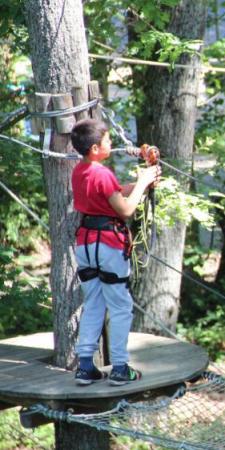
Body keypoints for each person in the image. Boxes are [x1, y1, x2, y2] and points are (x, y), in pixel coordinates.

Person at [70, 118, 160, 386]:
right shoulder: (102, 173)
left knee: (94, 301)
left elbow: (112, 197)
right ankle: (120, 367)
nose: (112, 143)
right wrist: (143, 182)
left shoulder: (80, 171)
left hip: (86, 243)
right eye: (108, 140)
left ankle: (85, 365)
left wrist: (138, 185)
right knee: (120, 306)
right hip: (108, 244)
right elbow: (125, 209)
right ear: (96, 148)